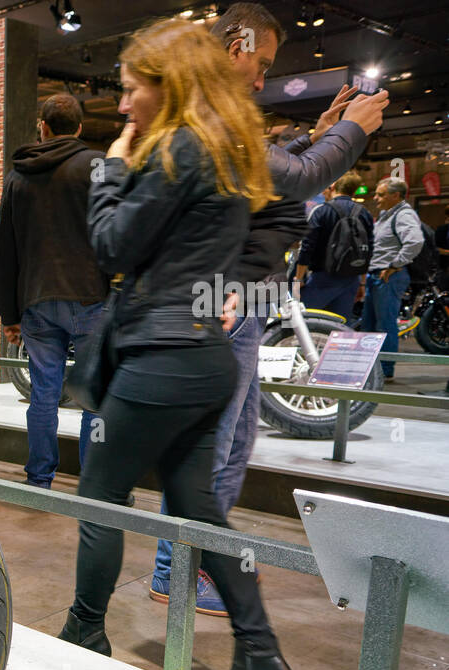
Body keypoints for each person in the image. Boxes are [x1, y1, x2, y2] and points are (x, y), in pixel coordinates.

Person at [64, 17, 294, 670]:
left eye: (133, 89)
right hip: (202, 360)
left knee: (100, 498)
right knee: (197, 510)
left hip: (160, 359)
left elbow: (110, 245)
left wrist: (111, 165)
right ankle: (261, 653)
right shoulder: (225, 148)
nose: (125, 103)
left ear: (169, 86)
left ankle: (83, 637)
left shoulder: (181, 151)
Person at [147, 1, 387, 615]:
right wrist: (351, 130)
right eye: (261, 64)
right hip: (218, 306)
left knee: (234, 442)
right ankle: (180, 570)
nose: (261, 80)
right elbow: (300, 178)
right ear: (234, 46)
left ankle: (198, 558)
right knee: (211, 447)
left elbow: (271, 169)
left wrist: (321, 129)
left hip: (237, 302)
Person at [0, 93, 109, 488]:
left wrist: (8, 315)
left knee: (43, 395)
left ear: (42, 127)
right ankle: (94, 482)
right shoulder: (95, 167)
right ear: (79, 128)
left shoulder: (18, 176)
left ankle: (40, 477)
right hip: (90, 297)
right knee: (94, 397)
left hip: (37, 303)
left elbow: (5, 251)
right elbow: (114, 233)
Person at [359, 177, 424, 380]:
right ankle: (368, 369)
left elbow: (415, 241)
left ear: (395, 195)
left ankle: (385, 370)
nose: (376, 198)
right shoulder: (386, 215)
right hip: (376, 276)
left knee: (385, 325)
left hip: (388, 277)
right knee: (369, 325)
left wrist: (395, 265)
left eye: (381, 194)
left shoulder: (404, 214)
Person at [294, 171, 372, 316]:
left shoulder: (321, 211)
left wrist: (298, 278)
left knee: (299, 321)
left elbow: (307, 246)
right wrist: (362, 282)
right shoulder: (364, 213)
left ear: (333, 186)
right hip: (351, 278)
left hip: (322, 278)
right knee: (339, 328)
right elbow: (368, 250)